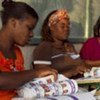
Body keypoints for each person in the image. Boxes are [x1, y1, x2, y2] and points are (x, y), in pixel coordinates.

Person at [0, 0, 58, 99]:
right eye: (29, 28)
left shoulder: (17, 52)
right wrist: (36, 72)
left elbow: (19, 82)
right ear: (13, 23)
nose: (31, 34)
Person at [33, 9, 90, 79]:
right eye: (62, 26)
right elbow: (43, 78)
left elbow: (82, 65)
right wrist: (71, 72)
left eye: (68, 26)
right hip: (58, 88)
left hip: (77, 85)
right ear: (51, 27)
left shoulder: (69, 46)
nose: (66, 29)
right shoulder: (44, 47)